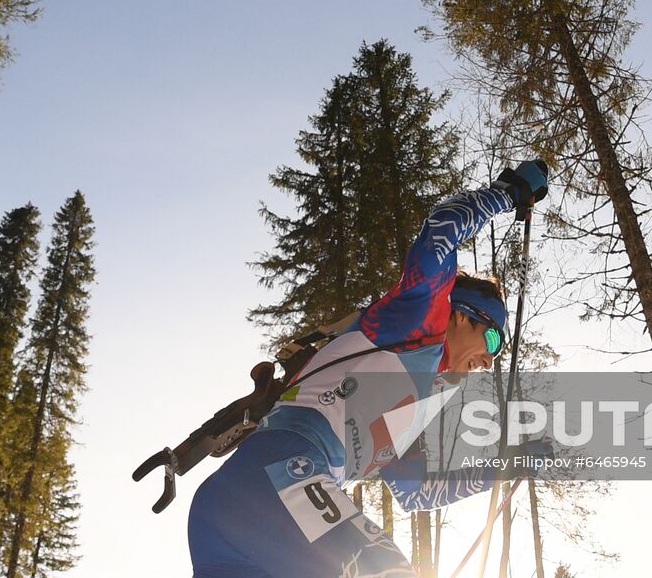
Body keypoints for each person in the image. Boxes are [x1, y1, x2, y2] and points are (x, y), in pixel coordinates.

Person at [188, 160, 550, 578]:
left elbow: (416, 495)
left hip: (235, 515)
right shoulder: (421, 319)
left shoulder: (414, 408)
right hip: (279, 477)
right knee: (388, 570)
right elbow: (439, 232)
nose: (488, 360)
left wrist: (503, 469)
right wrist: (506, 193)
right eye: (492, 339)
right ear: (461, 314)